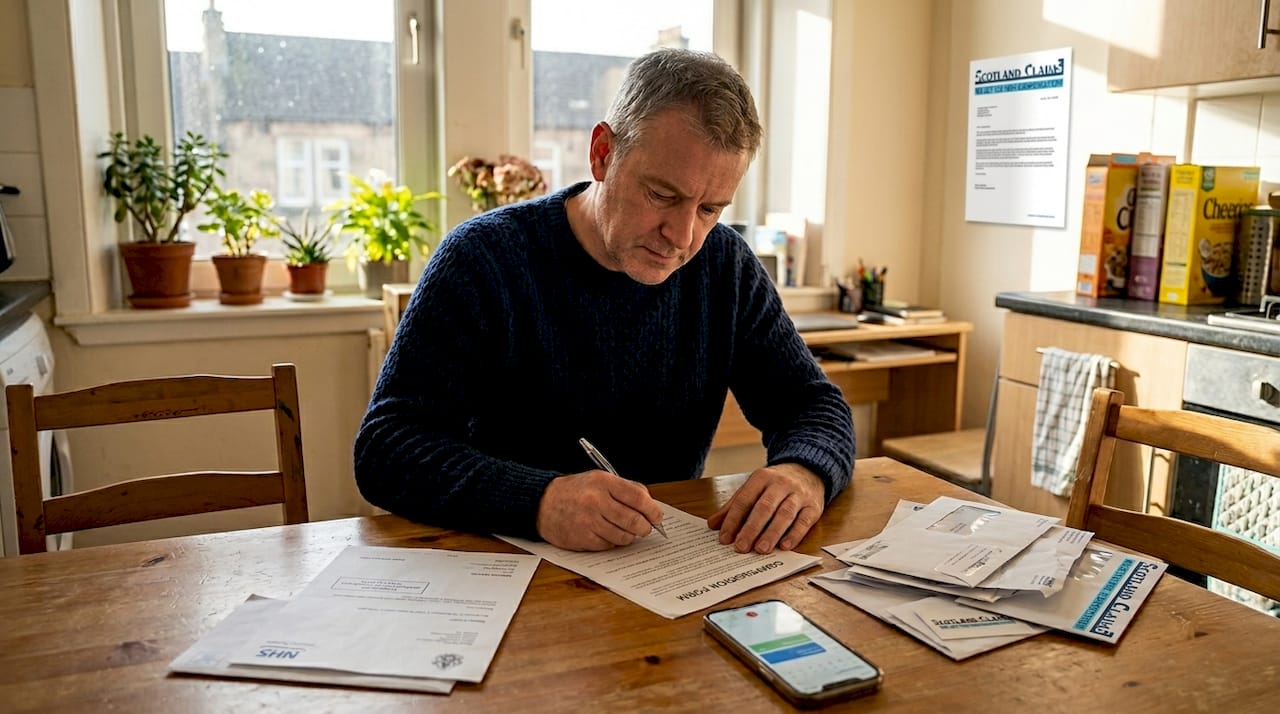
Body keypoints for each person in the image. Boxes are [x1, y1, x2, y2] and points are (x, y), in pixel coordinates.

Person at [355, 48, 854, 554]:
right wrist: (540, 501)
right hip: (496, 569)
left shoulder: (725, 266)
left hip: (657, 570)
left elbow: (811, 404)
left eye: (709, 209)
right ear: (602, 153)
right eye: (662, 195)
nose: (681, 236)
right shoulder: (484, 258)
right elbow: (387, 448)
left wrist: (804, 471)